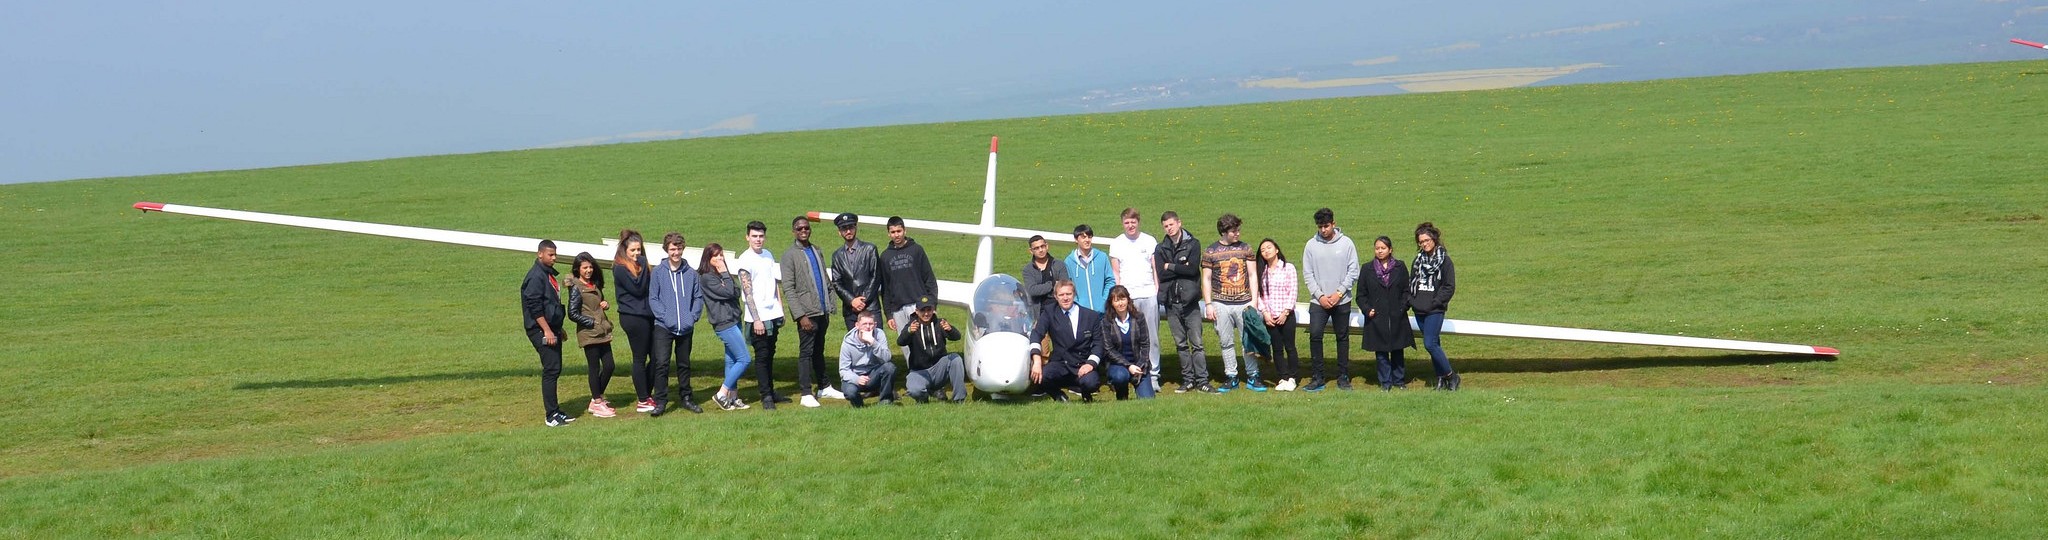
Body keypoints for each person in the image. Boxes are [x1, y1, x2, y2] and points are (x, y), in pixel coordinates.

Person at [781, 216, 841, 408]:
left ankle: (824, 386)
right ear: (793, 231)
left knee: (819, 350)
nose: (803, 231)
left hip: (822, 311)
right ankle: (806, 392)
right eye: (799, 229)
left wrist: (830, 304)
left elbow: (825, 279)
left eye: (806, 228)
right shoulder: (789, 255)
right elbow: (788, 288)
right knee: (806, 352)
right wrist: (800, 316)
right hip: (807, 313)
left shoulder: (817, 250)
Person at [1202, 213, 1264, 392]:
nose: (1237, 233)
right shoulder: (1211, 252)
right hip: (1220, 303)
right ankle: (1231, 376)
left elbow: (1252, 275)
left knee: (1248, 341)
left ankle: (1253, 375)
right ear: (1224, 231)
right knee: (1226, 341)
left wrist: (1254, 301)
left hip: (1244, 302)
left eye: (1238, 230)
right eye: (1233, 231)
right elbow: (1206, 279)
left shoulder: (1246, 249)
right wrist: (1208, 304)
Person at [1301, 208, 1360, 392]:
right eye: (1320, 226)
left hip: (1341, 300)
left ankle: (1343, 376)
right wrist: (1319, 295)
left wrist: (1339, 293)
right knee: (1315, 335)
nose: (1323, 230)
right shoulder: (1311, 245)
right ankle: (1318, 377)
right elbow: (1308, 274)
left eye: (1326, 226)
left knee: (1342, 337)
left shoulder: (1347, 243)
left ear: (1334, 224)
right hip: (1319, 302)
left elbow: (1353, 271)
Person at [646, 232, 705, 415]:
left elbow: (698, 297)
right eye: (672, 249)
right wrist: (665, 317)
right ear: (667, 250)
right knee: (662, 363)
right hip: (663, 326)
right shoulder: (658, 272)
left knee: (684, 364)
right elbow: (653, 298)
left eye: (679, 249)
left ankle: (686, 398)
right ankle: (661, 401)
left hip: (685, 327)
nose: (676, 252)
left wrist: (692, 317)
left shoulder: (691, 273)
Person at [1155, 210, 1213, 394]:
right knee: (1180, 344)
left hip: (1190, 302)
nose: (1169, 228)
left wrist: (1170, 266)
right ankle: (1188, 380)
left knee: (1197, 343)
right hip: (1171, 302)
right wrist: (1181, 267)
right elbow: (1161, 274)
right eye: (1165, 226)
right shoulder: (1160, 248)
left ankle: (1202, 380)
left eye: (1171, 224)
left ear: (1179, 223)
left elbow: (1192, 270)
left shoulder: (1193, 244)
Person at [734, 221, 790, 407]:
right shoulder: (745, 260)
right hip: (757, 317)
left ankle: (770, 390)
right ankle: (766, 395)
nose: (758, 239)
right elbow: (747, 292)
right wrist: (756, 319)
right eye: (754, 236)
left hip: (773, 313)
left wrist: (780, 309)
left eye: (761, 236)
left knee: (770, 353)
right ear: (747, 237)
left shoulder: (768, 255)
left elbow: (774, 284)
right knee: (762, 356)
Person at [1104, 208, 1161, 390]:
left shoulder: (1149, 240)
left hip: (1148, 293)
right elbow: (1116, 272)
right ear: (1123, 224)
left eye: (1133, 222)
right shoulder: (1117, 243)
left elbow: (1155, 268)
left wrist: (1156, 289)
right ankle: (1127, 370)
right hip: (1128, 297)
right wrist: (1119, 296)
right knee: (1127, 336)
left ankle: (1153, 374)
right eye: (1127, 222)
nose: (1130, 225)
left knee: (1151, 336)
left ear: (1138, 222)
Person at [521, 240, 573, 427]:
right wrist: (547, 330)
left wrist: (558, 328)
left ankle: (556, 410)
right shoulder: (536, 277)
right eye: (550, 255)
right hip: (540, 329)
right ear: (540, 254)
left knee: (555, 368)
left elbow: (551, 303)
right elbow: (534, 307)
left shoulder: (546, 274)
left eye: (555, 254)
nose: (554, 258)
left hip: (551, 327)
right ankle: (551, 415)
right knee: (551, 369)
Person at [698, 243, 755, 410]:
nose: (720, 258)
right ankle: (722, 394)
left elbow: (736, 291)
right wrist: (724, 274)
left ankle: (733, 397)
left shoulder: (722, 274)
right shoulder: (707, 277)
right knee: (744, 359)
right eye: (715, 255)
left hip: (734, 319)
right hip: (724, 323)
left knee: (731, 360)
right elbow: (729, 292)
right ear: (708, 258)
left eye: (721, 255)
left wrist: (725, 278)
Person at [611, 230, 661, 413]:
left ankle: (647, 393)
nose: (636, 253)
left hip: (648, 315)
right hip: (633, 317)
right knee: (639, 357)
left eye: (639, 250)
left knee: (657, 356)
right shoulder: (620, 268)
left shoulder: (641, 266)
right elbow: (638, 289)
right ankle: (643, 399)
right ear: (625, 250)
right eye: (632, 250)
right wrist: (644, 265)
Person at [1029, 280, 1103, 402]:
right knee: (1042, 376)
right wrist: (1036, 361)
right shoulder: (1049, 312)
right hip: (1060, 364)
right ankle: (1059, 396)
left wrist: (1090, 364)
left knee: (1091, 383)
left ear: (1074, 294)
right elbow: (1036, 334)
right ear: (1055, 296)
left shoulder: (1091, 316)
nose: (1065, 298)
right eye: (1061, 295)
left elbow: (1098, 344)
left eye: (1068, 294)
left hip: (1082, 363)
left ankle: (1086, 394)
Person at [1358, 236, 1416, 391]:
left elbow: (1406, 290)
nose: (1380, 251)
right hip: (1376, 317)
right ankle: (1385, 382)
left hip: (1397, 315)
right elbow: (1361, 295)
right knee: (1381, 352)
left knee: (1398, 349)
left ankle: (1399, 380)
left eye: (1383, 248)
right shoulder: (1367, 269)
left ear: (1390, 250)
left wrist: (1402, 308)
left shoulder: (1400, 267)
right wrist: (1367, 309)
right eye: (1377, 248)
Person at [565, 253, 618, 418]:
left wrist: (605, 304)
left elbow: (596, 304)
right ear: (578, 269)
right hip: (589, 333)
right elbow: (572, 313)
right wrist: (591, 322)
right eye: (585, 268)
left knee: (609, 366)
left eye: (590, 267)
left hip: (602, 331)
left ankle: (597, 398)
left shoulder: (594, 283)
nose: (588, 270)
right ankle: (597, 401)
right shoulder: (576, 287)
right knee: (594, 368)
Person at [1411, 222, 1461, 391]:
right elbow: (1411, 283)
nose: (1424, 244)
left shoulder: (1445, 261)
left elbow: (1449, 287)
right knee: (1435, 344)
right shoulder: (1417, 261)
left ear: (1434, 239)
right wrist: (1413, 301)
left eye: (1426, 240)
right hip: (1419, 309)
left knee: (1430, 344)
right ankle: (1441, 378)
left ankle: (1451, 376)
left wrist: (1436, 302)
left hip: (1435, 310)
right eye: (1421, 242)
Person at [879, 216, 938, 345]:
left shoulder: (917, 250)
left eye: (899, 231)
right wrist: (888, 315)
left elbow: (929, 279)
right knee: (905, 344)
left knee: (923, 343)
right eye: (893, 232)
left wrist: (933, 304)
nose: (896, 235)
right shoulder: (885, 257)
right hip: (898, 309)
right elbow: (885, 288)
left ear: (905, 231)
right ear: (888, 234)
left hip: (918, 305)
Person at [897, 296, 966, 404]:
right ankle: (923, 399)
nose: (926, 314)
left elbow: (957, 337)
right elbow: (900, 342)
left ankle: (959, 399)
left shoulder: (940, 323)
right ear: (916, 311)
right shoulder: (912, 326)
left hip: (939, 369)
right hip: (919, 371)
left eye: (929, 310)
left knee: (956, 359)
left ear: (933, 310)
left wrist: (950, 329)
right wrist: (909, 332)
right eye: (922, 310)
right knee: (914, 390)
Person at [1255, 238, 1303, 391]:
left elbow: (1293, 291)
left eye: (1269, 247)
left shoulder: (1288, 268)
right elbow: (1259, 295)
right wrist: (1265, 313)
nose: (1266, 251)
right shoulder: (1262, 272)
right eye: (1263, 250)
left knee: (1290, 347)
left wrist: (1286, 312)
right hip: (1270, 316)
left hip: (1286, 315)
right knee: (1277, 348)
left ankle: (1292, 377)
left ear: (1276, 250)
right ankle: (1282, 377)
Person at [1097, 285, 1155, 400]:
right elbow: (1109, 350)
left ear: (1128, 299)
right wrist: (1129, 366)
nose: (1120, 303)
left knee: (1148, 400)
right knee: (1120, 377)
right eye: (1116, 300)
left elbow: (1145, 344)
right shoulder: (1106, 322)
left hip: (1139, 364)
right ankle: (1122, 394)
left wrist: (1139, 366)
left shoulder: (1139, 317)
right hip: (1117, 365)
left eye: (1122, 299)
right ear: (1111, 303)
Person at [830, 212, 883, 329]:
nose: (848, 231)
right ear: (839, 232)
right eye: (844, 228)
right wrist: (852, 301)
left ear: (856, 228)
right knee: (854, 341)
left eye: (851, 227)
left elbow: (876, 276)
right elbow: (836, 282)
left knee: (875, 340)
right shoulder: (837, 256)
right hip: (851, 311)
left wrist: (862, 300)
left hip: (871, 307)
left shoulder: (870, 249)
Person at [838, 312, 897, 407]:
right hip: (855, 376)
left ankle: (885, 402)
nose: (868, 327)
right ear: (857, 325)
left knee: (890, 367)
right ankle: (859, 407)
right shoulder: (848, 342)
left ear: (875, 325)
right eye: (864, 324)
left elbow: (887, 358)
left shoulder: (879, 334)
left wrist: (873, 342)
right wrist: (856, 379)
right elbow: (843, 370)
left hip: (874, 374)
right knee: (850, 392)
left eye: (870, 324)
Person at [1063, 224, 1116, 312]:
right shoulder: (1069, 262)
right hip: (1081, 313)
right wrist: (1077, 304)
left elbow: (1110, 281)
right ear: (1076, 240)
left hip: (1102, 311)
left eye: (1089, 237)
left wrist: (1104, 300)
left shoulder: (1102, 257)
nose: (1087, 240)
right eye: (1083, 237)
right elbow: (1068, 286)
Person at [1021, 235, 1070, 312]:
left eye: (1042, 246)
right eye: (1036, 248)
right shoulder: (1028, 270)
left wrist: (1041, 288)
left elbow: (1064, 287)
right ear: (1031, 251)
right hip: (1039, 310)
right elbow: (1032, 290)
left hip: (1059, 308)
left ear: (1047, 246)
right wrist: (1053, 284)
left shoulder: (1059, 265)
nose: (1040, 250)